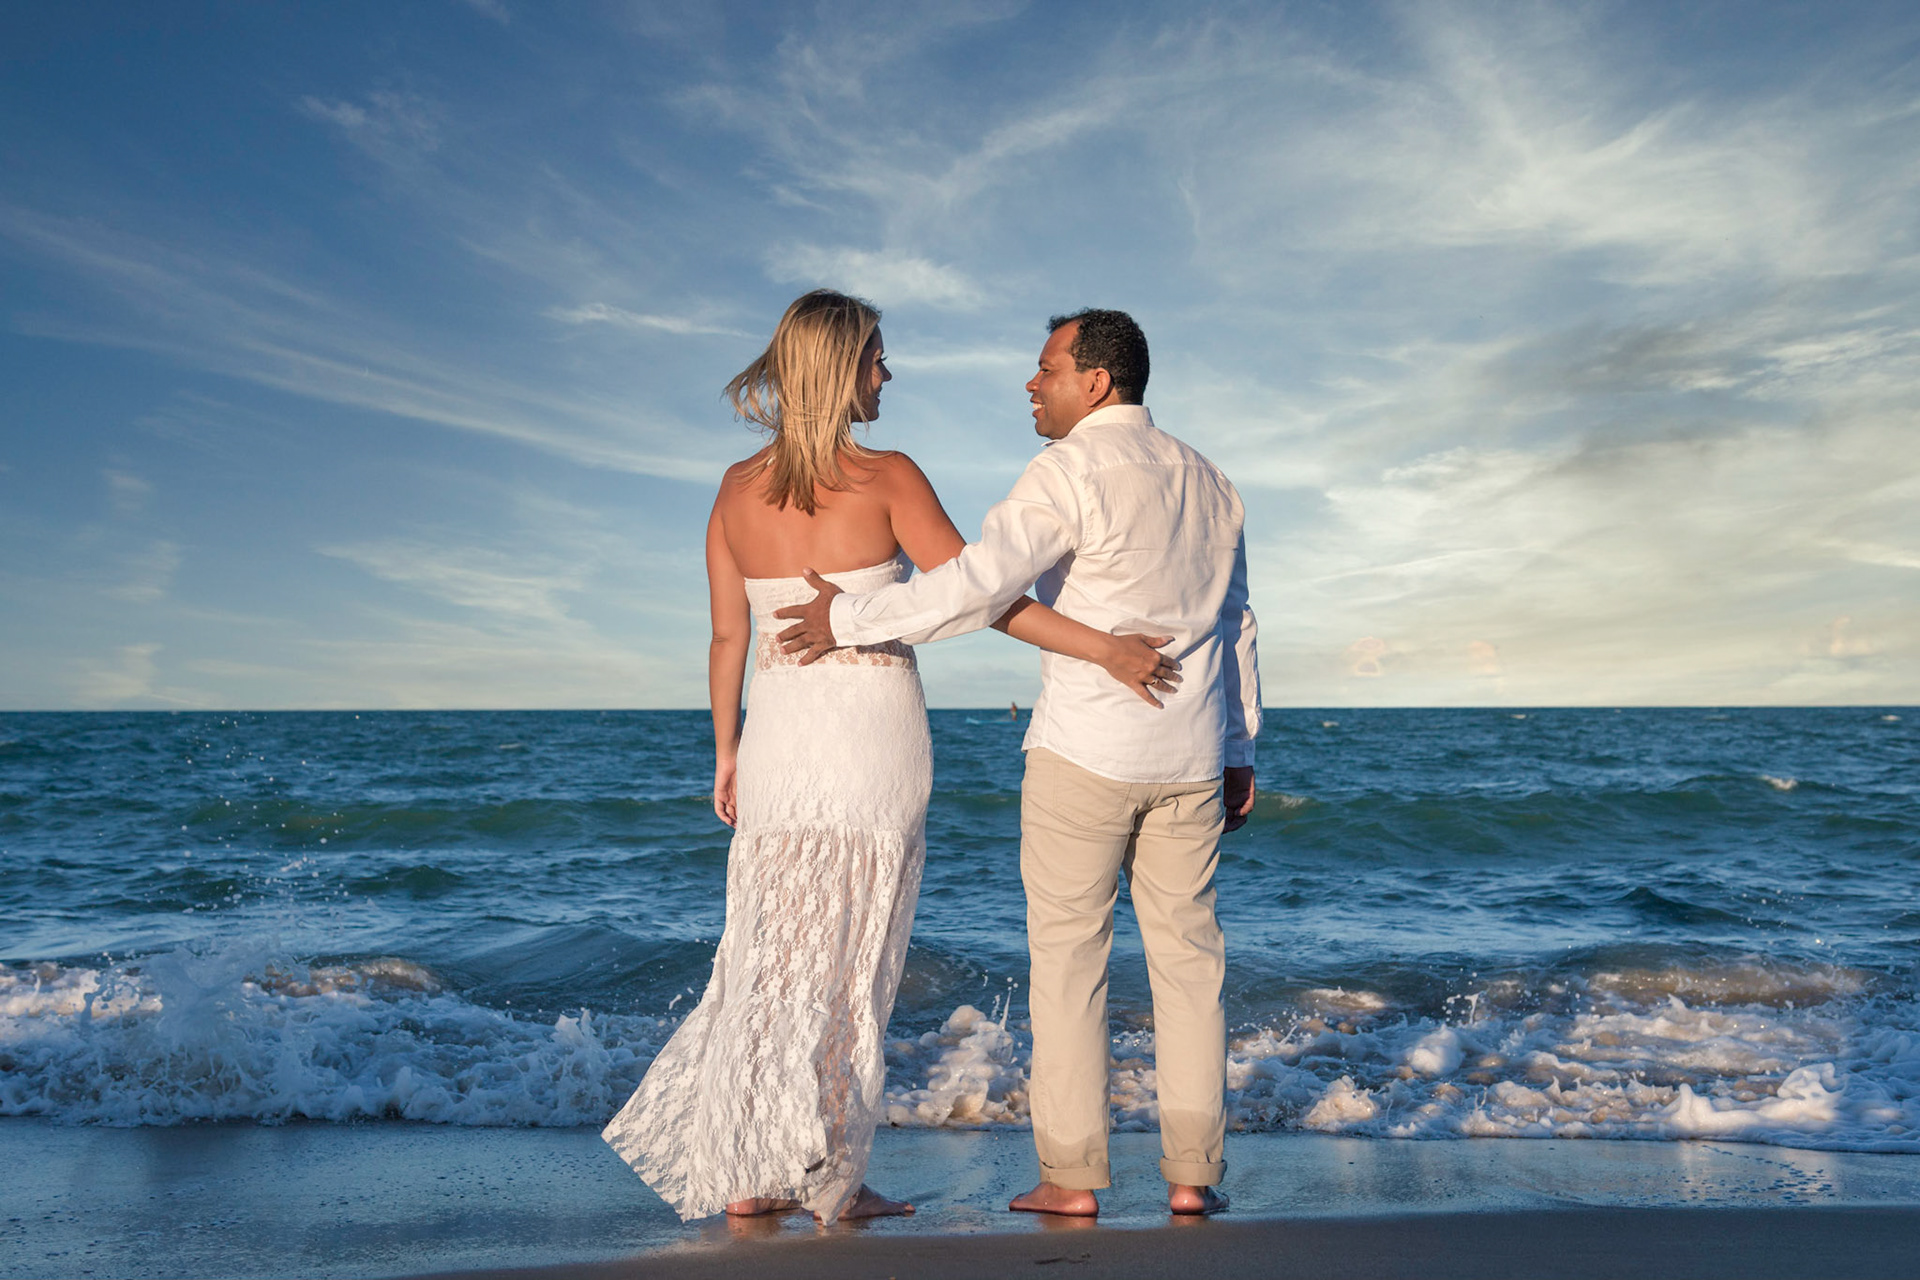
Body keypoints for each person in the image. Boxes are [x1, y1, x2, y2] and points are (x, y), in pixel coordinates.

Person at [600, 290, 1179, 1226]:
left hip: (778, 745)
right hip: (873, 742)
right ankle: (835, 1176)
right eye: (876, 357)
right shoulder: (887, 477)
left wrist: (725, 754)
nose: (887, 373)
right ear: (841, 370)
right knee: (853, 960)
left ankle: (751, 1172)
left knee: (769, 957)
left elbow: (724, 640)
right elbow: (984, 598)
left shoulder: (733, 490)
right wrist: (1106, 647)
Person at [774, 308, 1260, 1218]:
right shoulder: (1212, 479)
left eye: (1046, 369)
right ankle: (1193, 1178)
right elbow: (1236, 623)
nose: (1030, 385)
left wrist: (847, 619)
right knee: (1190, 967)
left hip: (1086, 752)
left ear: (1096, 382)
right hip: (1192, 754)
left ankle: (1072, 1183)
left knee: (1070, 963)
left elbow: (974, 586)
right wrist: (1240, 748)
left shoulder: (1069, 469)